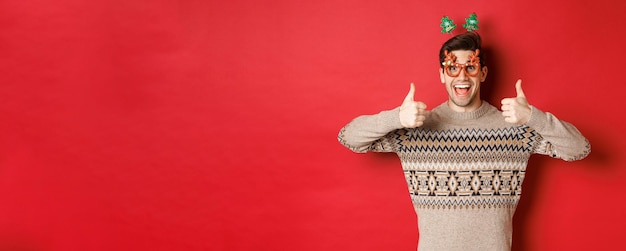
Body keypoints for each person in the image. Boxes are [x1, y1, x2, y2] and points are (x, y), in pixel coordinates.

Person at [337, 32, 590, 251]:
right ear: (442, 75)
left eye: (470, 67)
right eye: (452, 67)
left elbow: (580, 149)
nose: (462, 77)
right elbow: (348, 138)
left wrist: (534, 117)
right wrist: (395, 118)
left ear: (482, 73)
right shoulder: (414, 128)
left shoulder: (515, 129)